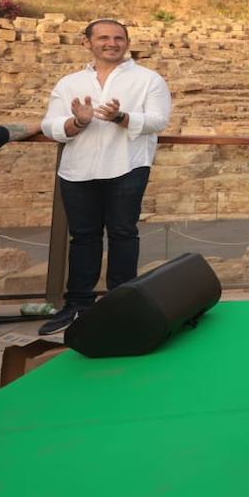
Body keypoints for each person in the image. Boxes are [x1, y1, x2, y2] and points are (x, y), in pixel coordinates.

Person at [38, 19, 171, 336]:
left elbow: (158, 120)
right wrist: (77, 122)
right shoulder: (69, 83)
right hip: (78, 169)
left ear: (126, 43)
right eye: (103, 38)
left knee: (124, 234)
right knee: (83, 237)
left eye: (118, 38)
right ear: (87, 43)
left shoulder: (148, 80)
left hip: (127, 165)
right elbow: (50, 125)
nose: (111, 43)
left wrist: (120, 117)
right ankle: (78, 305)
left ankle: (122, 304)